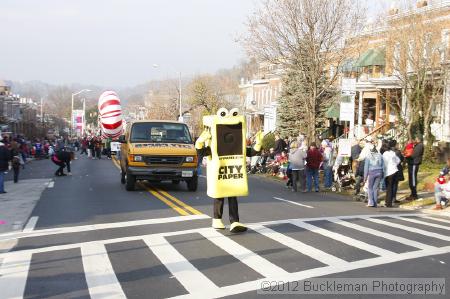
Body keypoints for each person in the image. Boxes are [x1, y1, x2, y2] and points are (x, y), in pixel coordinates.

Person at [383, 140, 401, 207]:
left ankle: (388, 203)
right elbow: (398, 160)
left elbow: (384, 164)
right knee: (393, 186)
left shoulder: (385, 154)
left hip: (389, 172)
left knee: (389, 188)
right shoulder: (393, 153)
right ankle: (390, 201)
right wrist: (394, 164)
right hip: (395, 170)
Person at [406, 135, 424, 201]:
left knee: (413, 179)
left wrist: (407, 155)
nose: (415, 139)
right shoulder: (416, 145)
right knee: (411, 179)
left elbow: (414, 154)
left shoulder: (420, 145)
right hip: (411, 163)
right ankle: (412, 193)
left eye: (416, 138)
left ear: (419, 139)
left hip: (414, 163)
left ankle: (414, 194)